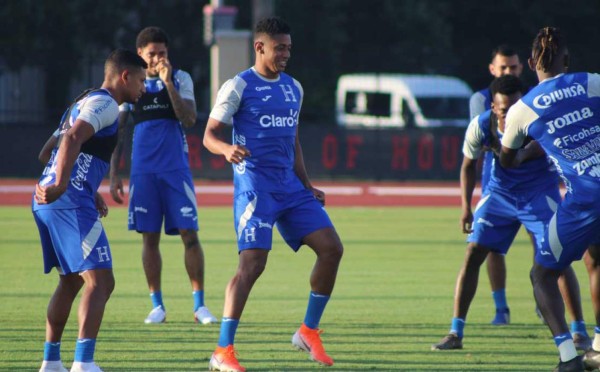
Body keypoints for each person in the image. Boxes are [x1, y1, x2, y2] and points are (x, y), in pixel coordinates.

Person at [202, 16, 344, 372]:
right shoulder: (238, 86)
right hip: (255, 189)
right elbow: (210, 135)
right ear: (259, 46)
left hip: (291, 188)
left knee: (332, 249)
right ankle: (222, 351)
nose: (286, 54)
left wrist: (307, 185)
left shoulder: (293, 88)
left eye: (289, 48)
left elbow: (292, 140)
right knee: (252, 265)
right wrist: (225, 150)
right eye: (280, 47)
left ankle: (308, 331)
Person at [431, 74, 588, 352]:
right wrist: (466, 206)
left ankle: (579, 332)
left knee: (558, 259)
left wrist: (522, 154)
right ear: (493, 107)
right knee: (473, 252)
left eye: (517, 106)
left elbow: (540, 149)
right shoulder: (481, 125)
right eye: (505, 109)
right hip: (500, 196)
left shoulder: (538, 123)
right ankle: (455, 331)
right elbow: (468, 165)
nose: (512, 113)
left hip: (540, 195)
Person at [34, 49, 147, 372]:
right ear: (124, 76)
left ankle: (51, 362)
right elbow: (71, 139)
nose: (142, 88)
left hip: (51, 199)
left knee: (71, 281)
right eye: (140, 80)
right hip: (66, 200)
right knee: (101, 282)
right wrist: (64, 185)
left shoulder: (82, 101)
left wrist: (83, 185)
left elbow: (47, 153)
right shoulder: (106, 103)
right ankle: (83, 363)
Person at [500, 26, 600, 371]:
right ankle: (599, 347)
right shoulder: (591, 82)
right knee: (597, 260)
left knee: (542, 275)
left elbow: (506, 159)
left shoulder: (521, 110)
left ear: (530, 63)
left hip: (586, 197)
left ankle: (569, 357)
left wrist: (532, 150)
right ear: (567, 60)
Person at [109, 26, 216, 325]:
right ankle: (157, 305)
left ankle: (199, 306)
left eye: (162, 53)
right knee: (149, 238)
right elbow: (117, 131)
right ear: (140, 55)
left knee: (189, 235)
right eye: (151, 54)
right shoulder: (132, 85)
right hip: (143, 173)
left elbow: (190, 119)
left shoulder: (181, 79)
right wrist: (114, 174)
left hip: (175, 171)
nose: (157, 59)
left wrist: (168, 84)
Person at [470, 45, 524, 325]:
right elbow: (479, 147)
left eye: (513, 67)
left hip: (534, 185)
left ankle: (547, 301)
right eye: (503, 67)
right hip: (497, 184)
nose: (508, 72)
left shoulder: (530, 97)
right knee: (490, 248)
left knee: (549, 247)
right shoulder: (480, 100)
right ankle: (501, 308)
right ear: (492, 69)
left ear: (522, 68)